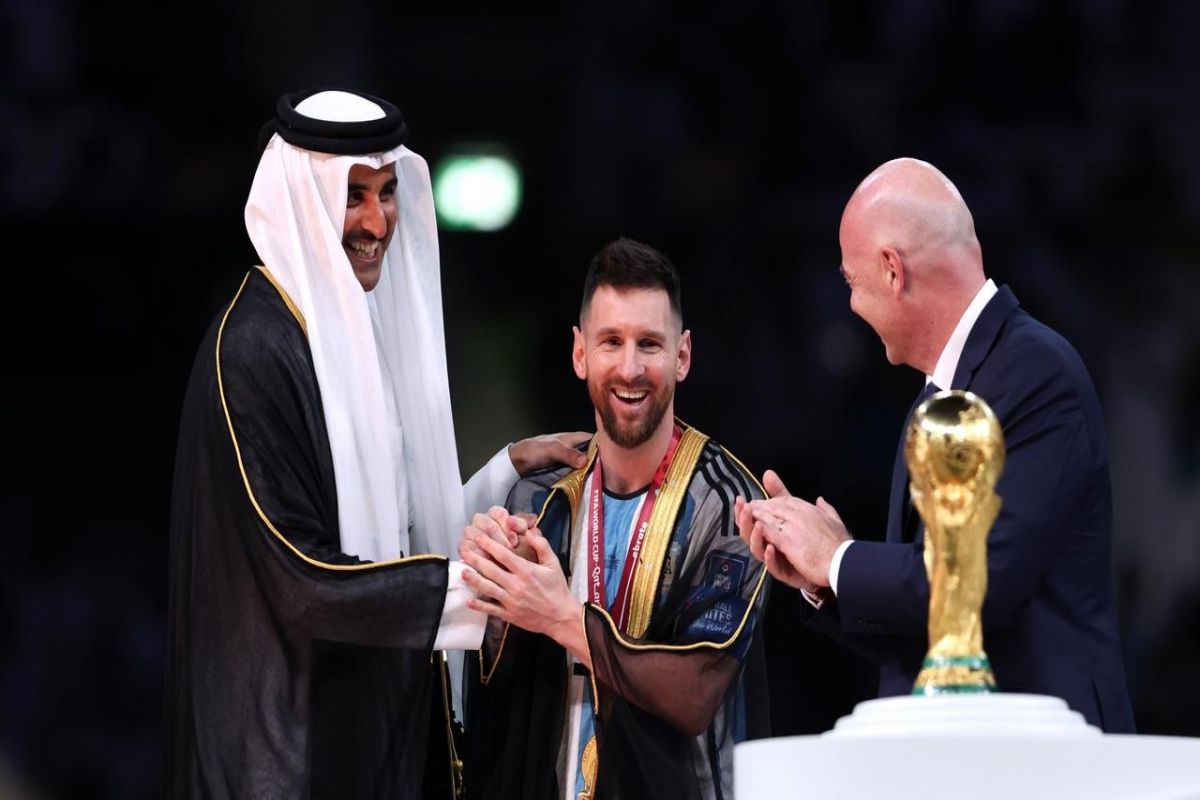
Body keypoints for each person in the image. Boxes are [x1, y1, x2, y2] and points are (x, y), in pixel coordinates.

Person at [163, 88, 587, 799]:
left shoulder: (336, 333)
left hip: (363, 737)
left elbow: (383, 534)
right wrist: (493, 597)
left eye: (388, 193)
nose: (377, 221)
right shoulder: (255, 348)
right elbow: (303, 579)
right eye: (353, 195)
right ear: (303, 200)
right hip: (286, 761)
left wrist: (500, 474)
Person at [737, 157, 1134, 732]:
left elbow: (981, 587)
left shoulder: (1035, 374)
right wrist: (824, 580)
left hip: (1044, 760)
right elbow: (932, 631)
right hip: (962, 750)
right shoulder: (941, 394)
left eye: (852, 282)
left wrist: (839, 558)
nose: (850, 305)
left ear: (893, 271)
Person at [457, 238, 771, 800]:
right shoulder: (540, 501)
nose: (630, 368)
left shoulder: (729, 506)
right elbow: (498, 699)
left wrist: (560, 618)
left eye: (649, 343)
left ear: (683, 355)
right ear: (580, 354)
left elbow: (694, 693)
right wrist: (495, 599)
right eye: (611, 342)